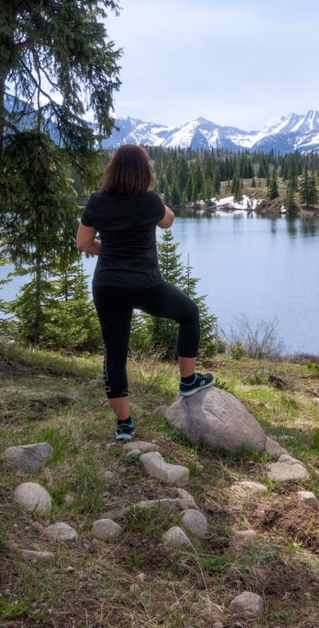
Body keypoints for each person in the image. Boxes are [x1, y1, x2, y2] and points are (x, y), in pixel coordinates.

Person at [76, 144, 213, 440]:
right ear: (144, 172)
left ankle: (124, 425)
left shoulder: (97, 201)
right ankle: (188, 380)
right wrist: (155, 202)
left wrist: (110, 252)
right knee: (189, 314)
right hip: (145, 284)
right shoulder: (149, 201)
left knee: (115, 352)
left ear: (112, 170)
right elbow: (168, 221)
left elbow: (83, 243)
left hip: (107, 285)